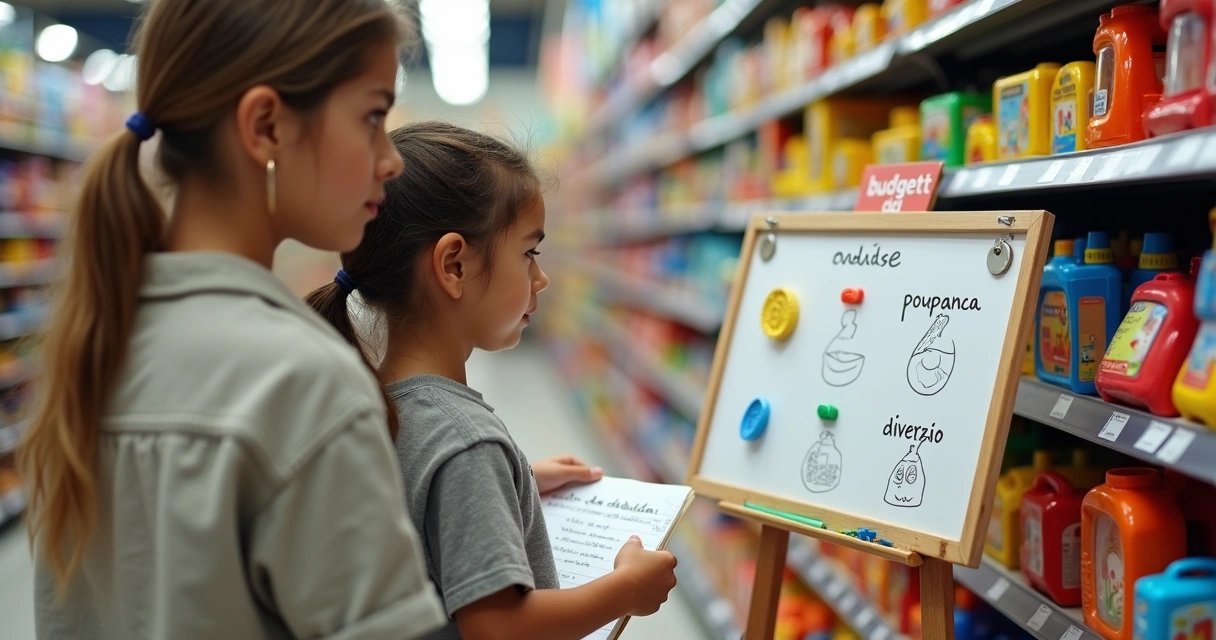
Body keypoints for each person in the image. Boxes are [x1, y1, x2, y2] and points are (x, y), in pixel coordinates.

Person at [17, 1, 446, 638]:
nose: (393, 159)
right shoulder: (303, 383)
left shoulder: (91, 349)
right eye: (374, 116)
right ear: (267, 126)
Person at [307, 121, 680, 640]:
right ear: (454, 266)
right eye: (529, 252)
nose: (541, 277)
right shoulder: (466, 443)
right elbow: (498, 627)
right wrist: (625, 590)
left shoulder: (370, 400)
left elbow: (414, 493)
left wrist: (515, 479)